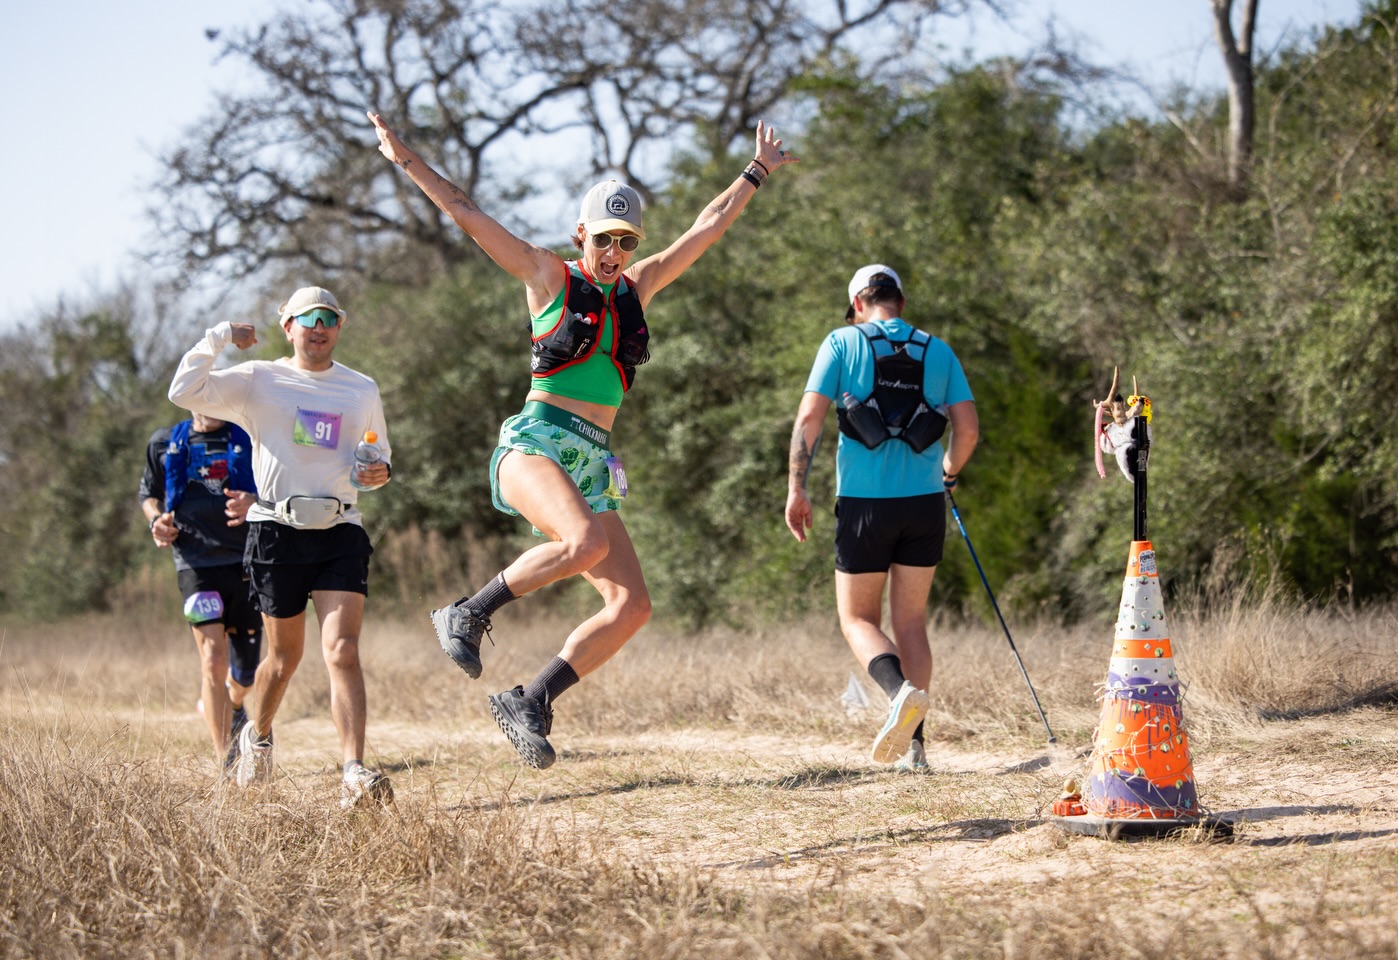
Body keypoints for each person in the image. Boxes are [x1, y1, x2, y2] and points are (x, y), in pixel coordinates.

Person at [368, 109, 797, 770]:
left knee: (632, 605)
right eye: (604, 239)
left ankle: (531, 701)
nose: (615, 252)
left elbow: (706, 226)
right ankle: (467, 612)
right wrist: (407, 160)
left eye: (625, 240)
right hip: (534, 444)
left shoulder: (638, 288)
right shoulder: (548, 276)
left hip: (592, 460)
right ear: (581, 235)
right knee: (586, 542)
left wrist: (756, 172)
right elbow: (466, 211)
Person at [168, 286, 396, 808]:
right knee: (283, 658)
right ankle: (260, 735)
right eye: (307, 318)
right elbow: (185, 389)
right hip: (276, 532)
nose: (319, 327)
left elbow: (377, 460)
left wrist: (378, 472)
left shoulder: (361, 389)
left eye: (329, 319)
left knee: (342, 650)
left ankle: (354, 772)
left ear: (339, 328)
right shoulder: (259, 380)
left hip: (340, 529)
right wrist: (222, 336)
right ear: (287, 327)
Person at [785, 265, 979, 772]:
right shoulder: (938, 350)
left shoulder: (841, 342)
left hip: (864, 506)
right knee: (911, 622)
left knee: (857, 620)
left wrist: (796, 487)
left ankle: (898, 695)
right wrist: (949, 472)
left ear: (856, 305)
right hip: (923, 504)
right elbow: (969, 430)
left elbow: (809, 419)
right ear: (902, 301)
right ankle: (914, 749)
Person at [140, 411, 263, 773]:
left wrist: (254, 501)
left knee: (246, 675)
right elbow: (148, 493)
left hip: (245, 564)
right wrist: (155, 520)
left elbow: (275, 488)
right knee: (212, 660)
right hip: (194, 567)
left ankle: (236, 705)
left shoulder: (252, 436)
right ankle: (226, 758)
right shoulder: (164, 441)